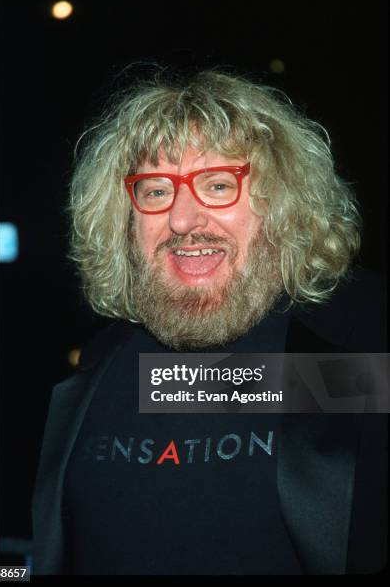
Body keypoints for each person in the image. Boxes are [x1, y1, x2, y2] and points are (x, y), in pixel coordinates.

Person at [32, 68, 387, 575]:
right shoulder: (95, 370)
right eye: (155, 191)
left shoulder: (363, 344)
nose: (182, 220)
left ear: (283, 205)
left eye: (218, 185)